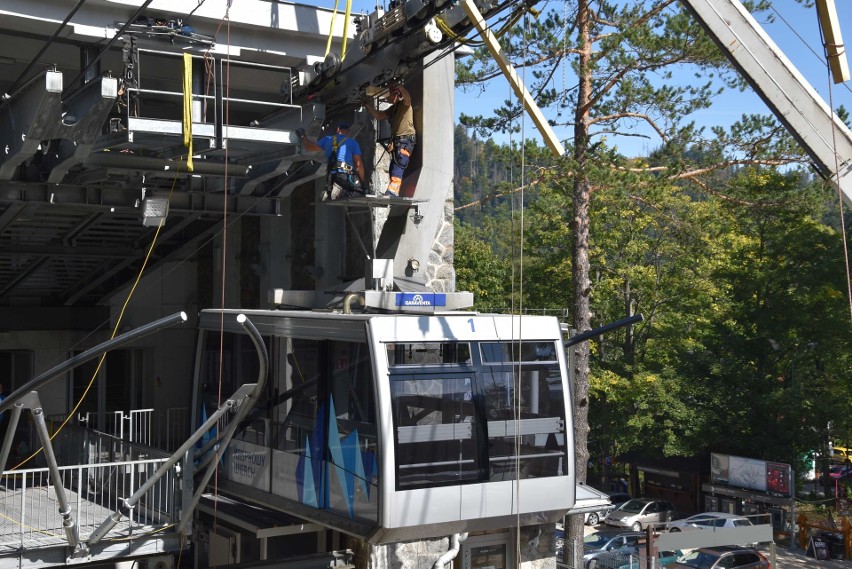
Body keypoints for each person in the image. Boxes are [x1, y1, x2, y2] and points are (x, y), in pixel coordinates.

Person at [366, 83, 415, 197]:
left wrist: (401, 87)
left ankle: (393, 191)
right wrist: (368, 107)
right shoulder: (393, 109)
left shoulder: (404, 105)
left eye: (390, 95)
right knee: (394, 167)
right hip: (399, 141)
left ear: (397, 95)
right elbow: (378, 116)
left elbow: (408, 98)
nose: (387, 98)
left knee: (398, 166)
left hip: (405, 140)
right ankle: (393, 191)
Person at [297, 122, 367, 201]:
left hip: (332, 176)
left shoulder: (327, 139)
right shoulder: (352, 142)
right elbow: (359, 165)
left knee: (345, 186)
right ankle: (339, 193)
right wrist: (362, 183)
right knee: (359, 192)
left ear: (337, 130)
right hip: (345, 175)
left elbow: (310, 147)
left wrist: (302, 136)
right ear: (348, 132)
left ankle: (331, 191)